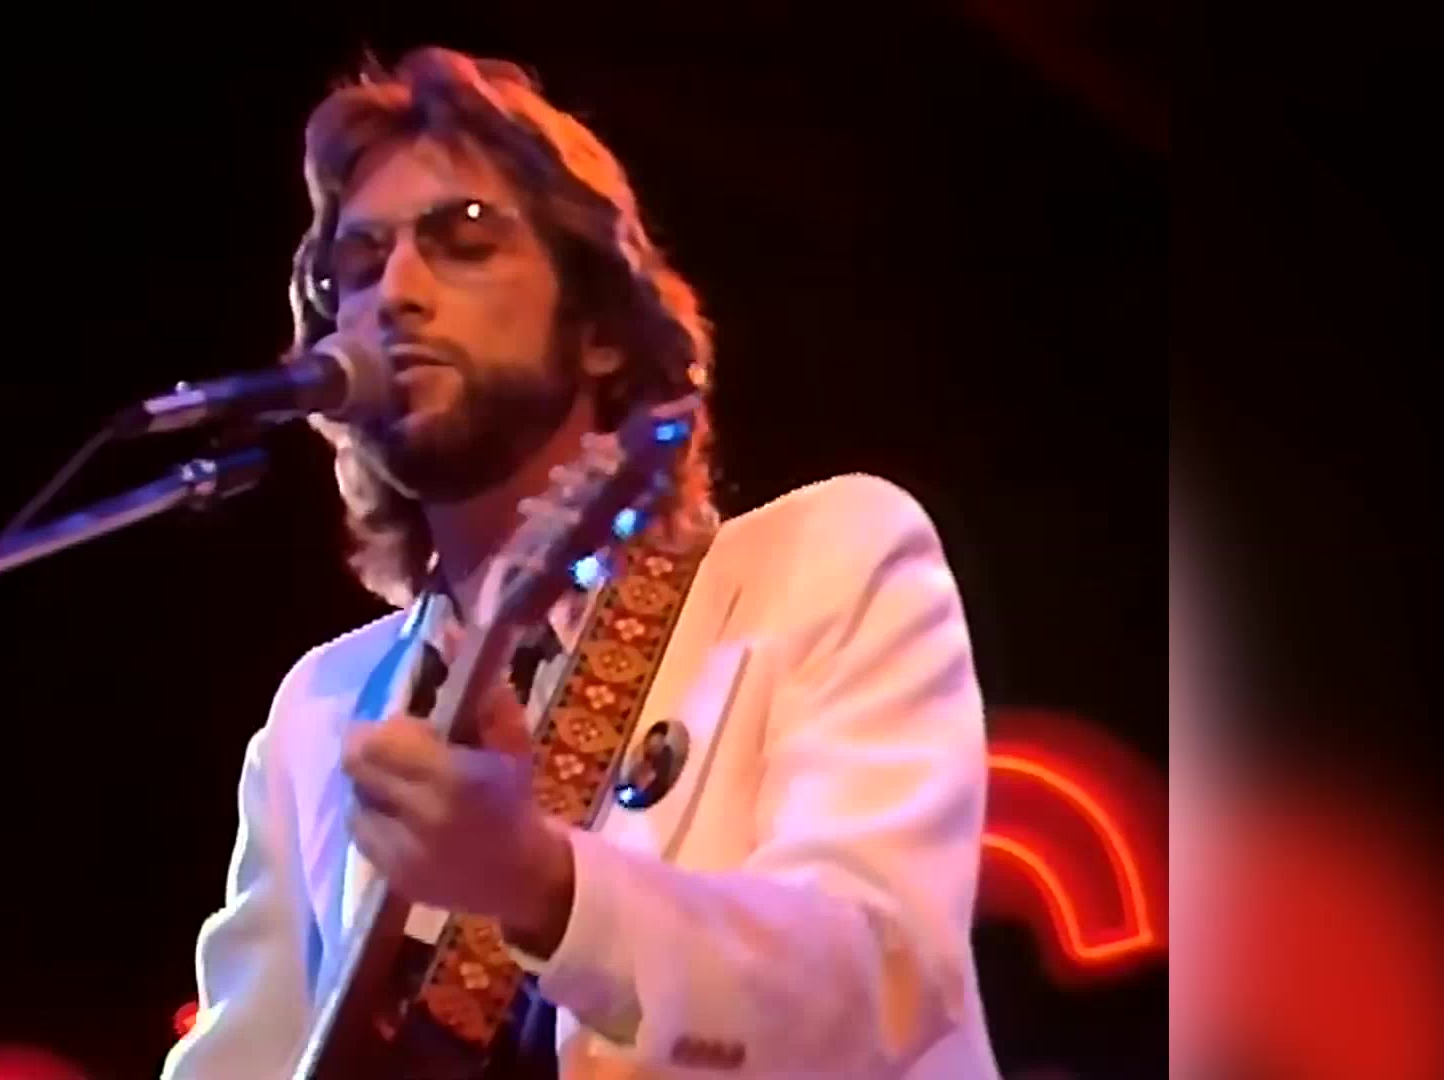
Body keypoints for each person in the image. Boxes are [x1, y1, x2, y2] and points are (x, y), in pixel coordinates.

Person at [162, 47, 999, 1078]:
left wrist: (543, 883)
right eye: (360, 263)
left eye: (465, 238)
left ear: (601, 329)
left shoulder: (827, 560)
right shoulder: (320, 710)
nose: (397, 292)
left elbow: (879, 983)